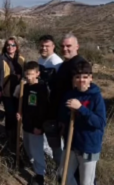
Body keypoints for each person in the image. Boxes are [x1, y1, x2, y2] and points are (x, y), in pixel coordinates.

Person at [59, 61, 106, 185]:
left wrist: (81, 108)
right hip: (71, 144)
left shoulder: (96, 97)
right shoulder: (70, 94)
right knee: (63, 175)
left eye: (85, 77)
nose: (81, 80)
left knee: (86, 182)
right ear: (73, 79)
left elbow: (100, 123)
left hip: (88, 146)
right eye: (78, 77)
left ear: (91, 78)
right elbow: (64, 116)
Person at [50, 33, 86, 184]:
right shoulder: (65, 64)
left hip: (73, 117)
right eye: (63, 46)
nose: (65, 49)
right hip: (62, 114)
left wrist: (67, 118)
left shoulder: (80, 65)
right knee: (68, 153)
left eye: (69, 46)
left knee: (76, 155)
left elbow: (81, 93)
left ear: (77, 47)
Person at [15, 61, 49, 185]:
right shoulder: (25, 87)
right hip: (26, 124)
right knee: (28, 148)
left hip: (36, 126)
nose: (28, 77)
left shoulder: (41, 88)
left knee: (37, 150)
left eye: (31, 74)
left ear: (37, 74)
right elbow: (24, 105)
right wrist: (20, 114)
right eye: (27, 74)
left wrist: (39, 126)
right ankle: (34, 165)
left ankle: (40, 175)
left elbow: (42, 109)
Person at [38, 35, 63, 166]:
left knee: (54, 138)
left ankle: (60, 167)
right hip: (41, 105)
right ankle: (48, 160)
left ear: (53, 46)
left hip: (52, 107)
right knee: (44, 135)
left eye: (47, 46)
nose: (44, 48)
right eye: (42, 45)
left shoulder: (57, 63)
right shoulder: (40, 60)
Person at [1, 37, 24, 141]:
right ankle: (9, 136)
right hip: (7, 90)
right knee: (9, 113)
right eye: (8, 45)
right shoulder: (1, 59)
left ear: (16, 47)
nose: (10, 47)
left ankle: (16, 136)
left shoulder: (21, 59)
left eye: (13, 45)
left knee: (17, 113)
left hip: (20, 91)